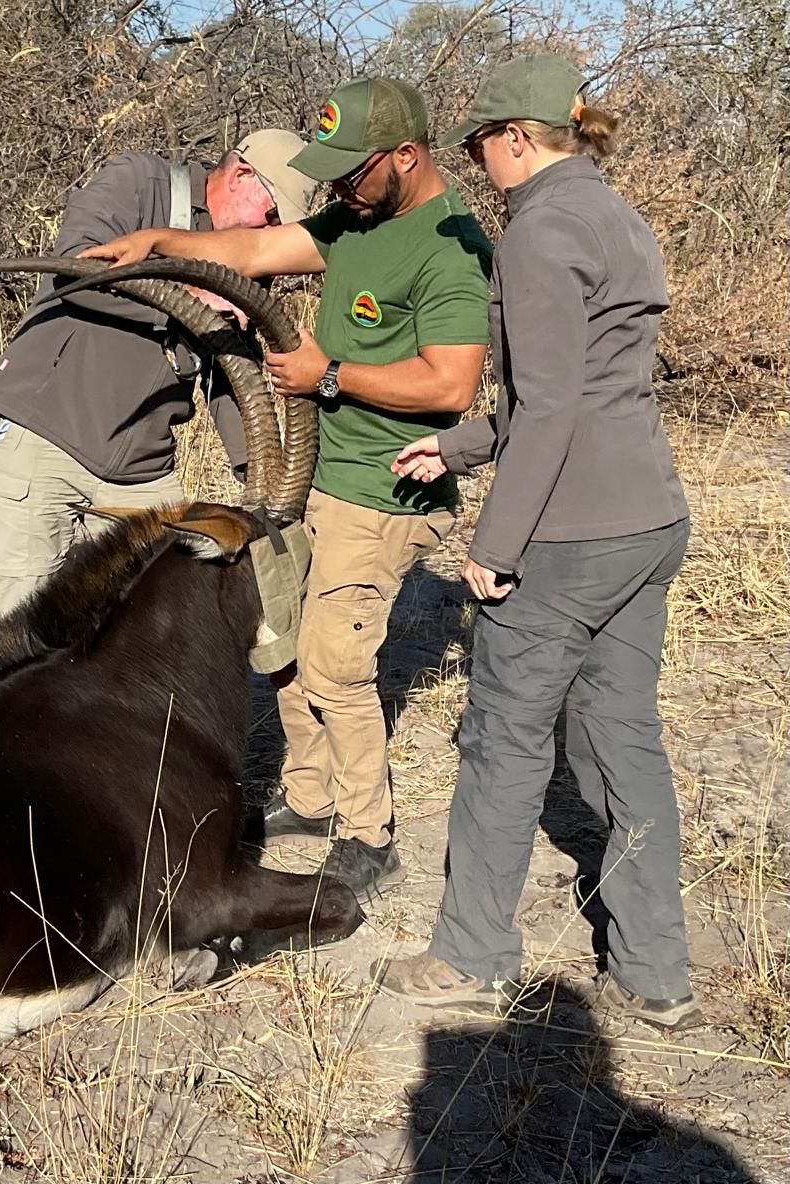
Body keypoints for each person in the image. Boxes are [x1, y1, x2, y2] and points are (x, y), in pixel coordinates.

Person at [83, 78, 492, 900]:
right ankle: (310, 798)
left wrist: (326, 374)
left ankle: (370, 837)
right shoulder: (356, 219)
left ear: (405, 157)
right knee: (287, 649)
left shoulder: (449, 250)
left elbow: (450, 386)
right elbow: (253, 252)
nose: (338, 189)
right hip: (321, 481)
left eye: (352, 170)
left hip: (384, 491)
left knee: (336, 668)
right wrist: (158, 243)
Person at [375, 54, 699, 1031]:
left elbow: (552, 404)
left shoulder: (539, 231)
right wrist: (458, 445)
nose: (477, 160)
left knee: (503, 740)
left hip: (568, 533)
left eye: (480, 142)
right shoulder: (615, 215)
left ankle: (470, 955)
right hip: (646, 517)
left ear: (514, 137)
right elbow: (585, 390)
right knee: (623, 737)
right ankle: (655, 973)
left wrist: (497, 541)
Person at [0, 130, 316, 633]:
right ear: (241, 175)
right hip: (46, 439)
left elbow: (231, 367)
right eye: (271, 215)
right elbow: (75, 270)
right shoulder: (139, 183)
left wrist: (254, 472)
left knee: (147, 631)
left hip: (140, 465)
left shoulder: (246, 259)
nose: (272, 232)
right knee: (13, 628)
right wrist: (191, 298)